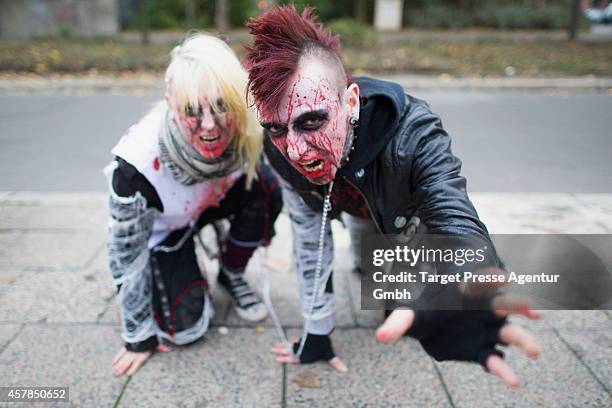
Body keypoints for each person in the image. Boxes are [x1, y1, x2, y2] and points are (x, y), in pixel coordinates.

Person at [244, 5, 541, 387]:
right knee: (366, 252)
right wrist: (316, 331)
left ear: (350, 103)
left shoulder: (413, 133)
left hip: (397, 217)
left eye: (312, 121)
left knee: (395, 301)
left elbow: (450, 210)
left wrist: (465, 281)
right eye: (277, 129)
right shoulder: (277, 151)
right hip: (343, 202)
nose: (296, 151)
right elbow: (308, 240)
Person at [105, 33, 282, 377]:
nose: (210, 125)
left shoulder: (248, 130)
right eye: (191, 110)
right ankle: (185, 263)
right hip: (164, 230)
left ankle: (230, 273)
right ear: (170, 102)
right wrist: (137, 335)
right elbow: (126, 254)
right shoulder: (136, 164)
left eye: (221, 106)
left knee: (268, 187)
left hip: (205, 208)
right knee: (184, 330)